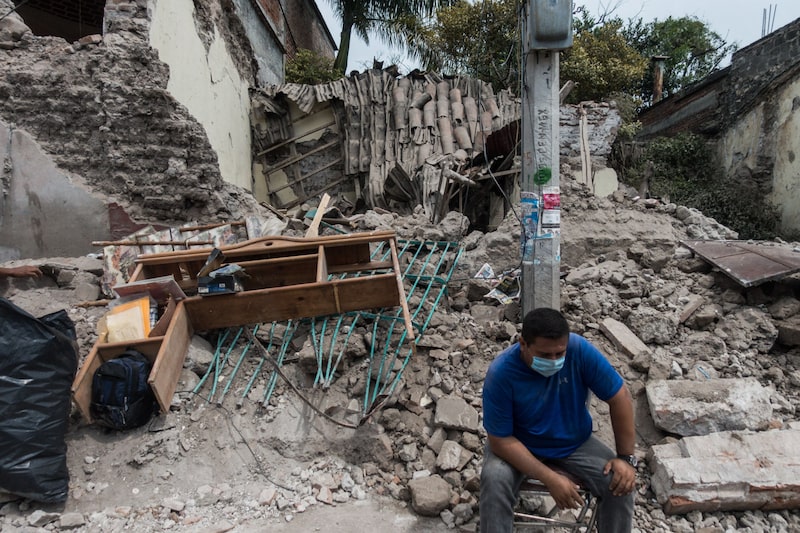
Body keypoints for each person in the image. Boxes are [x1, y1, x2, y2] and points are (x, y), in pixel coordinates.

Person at [480, 307, 636, 533]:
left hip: (573, 442)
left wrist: (625, 458)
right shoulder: (502, 372)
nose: (553, 360)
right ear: (523, 344)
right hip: (519, 444)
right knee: (494, 479)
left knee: (620, 483)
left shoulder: (579, 350)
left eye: (559, 354)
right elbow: (500, 441)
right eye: (544, 355)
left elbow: (620, 396)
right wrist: (551, 479)